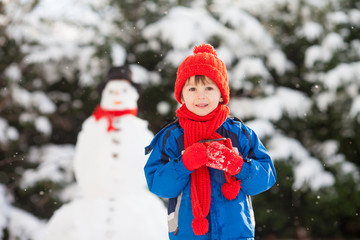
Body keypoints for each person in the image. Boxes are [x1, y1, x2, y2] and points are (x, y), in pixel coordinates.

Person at [144, 43, 276, 240]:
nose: (201, 95)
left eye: (208, 87)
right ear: (181, 95)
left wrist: (238, 165)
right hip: (188, 234)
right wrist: (184, 164)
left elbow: (266, 178)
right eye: (192, 88)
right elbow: (158, 185)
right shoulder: (171, 138)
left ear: (222, 93)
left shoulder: (239, 134)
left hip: (236, 233)